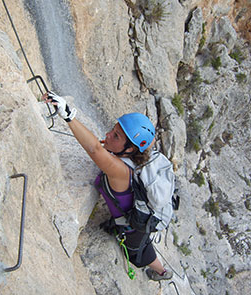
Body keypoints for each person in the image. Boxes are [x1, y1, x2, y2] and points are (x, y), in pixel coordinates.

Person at [46, 94, 172, 281]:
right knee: (143, 241)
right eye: (113, 130)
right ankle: (160, 268)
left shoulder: (121, 171)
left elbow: (95, 149)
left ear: (130, 149)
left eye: (116, 136)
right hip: (140, 215)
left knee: (139, 253)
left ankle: (162, 273)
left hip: (134, 228)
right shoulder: (134, 155)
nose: (107, 135)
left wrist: (68, 116)